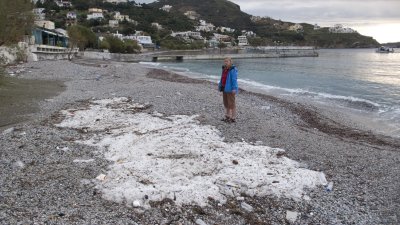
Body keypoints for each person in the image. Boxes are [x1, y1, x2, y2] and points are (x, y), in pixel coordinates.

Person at [218, 57, 238, 123]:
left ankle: (233, 117)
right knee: (226, 103)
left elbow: (234, 80)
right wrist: (220, 86)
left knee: (232, 103)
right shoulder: (224, 69)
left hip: (230, 89)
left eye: (227, 61)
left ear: (230, 62)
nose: (226, 63)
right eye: (225, 61)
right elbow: (222, 78)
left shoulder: (233, 69)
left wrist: (234, 88)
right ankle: (227, 116)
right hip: (224, 88)